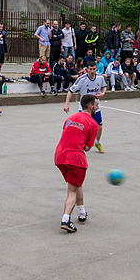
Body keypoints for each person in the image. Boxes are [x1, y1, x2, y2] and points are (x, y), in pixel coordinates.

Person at [56, 94, 100, 233]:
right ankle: (65, 219)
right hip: (75, 159)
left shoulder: (69, 118)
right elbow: (87, 148)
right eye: (97, 105)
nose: (98, 108)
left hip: (60, 156)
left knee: (76, 184)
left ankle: (81, 214)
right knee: (72, 191)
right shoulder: (93, 124)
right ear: (90, 106)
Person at [64, 60, 107, 153]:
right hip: (84, 108)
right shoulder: (82, 79)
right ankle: (80, 144)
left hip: (96, 107)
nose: (92, 71)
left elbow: (104, 86)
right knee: (82, 127)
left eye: (94, 69)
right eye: (90, 69)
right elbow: (70, 91)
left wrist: (102, 93)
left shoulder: (100, 77)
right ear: (86, 69)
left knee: (99, 127)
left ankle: (97, 142)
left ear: (96, 68)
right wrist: (67, 104)